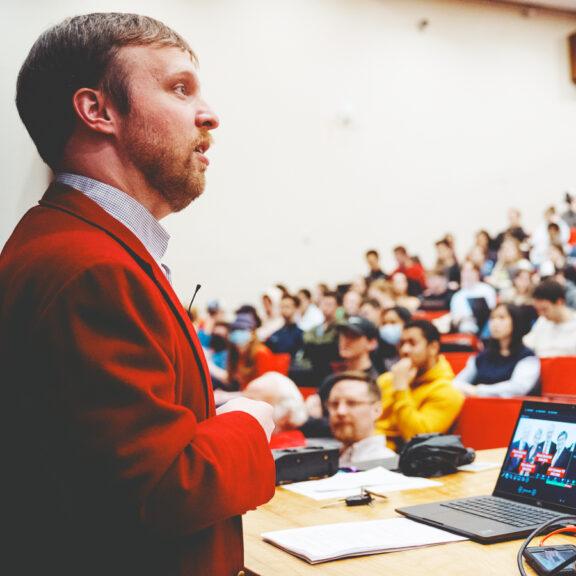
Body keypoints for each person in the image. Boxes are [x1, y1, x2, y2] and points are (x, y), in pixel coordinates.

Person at [0, 14, 276, 576]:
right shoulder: (91, 269)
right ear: (98, 111)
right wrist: (252, 418)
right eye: (179, 88)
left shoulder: (72, 243)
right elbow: (161, 491)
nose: (210, 115)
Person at [375, 320, 464, 450]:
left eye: (412, 343)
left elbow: (417, 437)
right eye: (402, 343)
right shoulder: (386, 380)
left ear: (433, 347)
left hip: (401, 460)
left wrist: (400, 388)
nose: (404, 350)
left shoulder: (447, 392)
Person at [453, 304, 540, 397]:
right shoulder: (482, 356)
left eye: (501, 318)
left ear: (515, 322)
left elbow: (518, 387)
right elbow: (457, 383)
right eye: (492, 318)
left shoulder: (527, 356)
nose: (495, 323)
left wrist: (477, 390)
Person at [326, 372, 396, 466]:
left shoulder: (387, 465)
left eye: (352, 403)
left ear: (376, 410)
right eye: (334, 404)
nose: (340, 411)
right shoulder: (324, 460)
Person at [524, 280, 576, 357]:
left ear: (559, 302)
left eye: (545, 309)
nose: (541, 314)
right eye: (538, 310)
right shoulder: (542, 322)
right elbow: (527, 343)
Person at [450, 260, 497, 334]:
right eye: (464, 271)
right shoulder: (457, 296)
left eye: (470, 271)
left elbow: (493, 311)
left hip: (486, 326)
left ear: (477, 273)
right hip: (465, 330)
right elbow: (455, 320)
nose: (467, 274)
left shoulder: (487, 289)